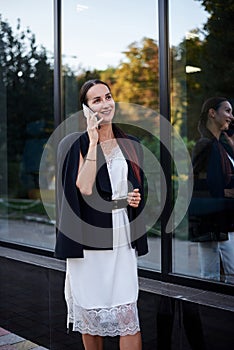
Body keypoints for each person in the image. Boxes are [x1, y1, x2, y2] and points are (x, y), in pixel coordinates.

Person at [54, 79, 148, 350]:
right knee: (91, 317)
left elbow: (137, 187)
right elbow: (83, 186)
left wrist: (134, 197)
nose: (106, 103)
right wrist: (94, 140)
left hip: (121, 236)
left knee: (128, 314)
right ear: (85, 109)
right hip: (90, 241)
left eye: (108, 96)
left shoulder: (131, 143)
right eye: (96, 100)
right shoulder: (77, 144)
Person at [190, 96, 234, 283]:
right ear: (212, 113)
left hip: (225, 219)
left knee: (230, 273)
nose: (231, 116)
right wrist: (223, 193)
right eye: (227, 111)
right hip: (211, 221)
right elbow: (196, 184)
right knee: (211, 277)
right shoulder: (205, 145)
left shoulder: (221, 146)